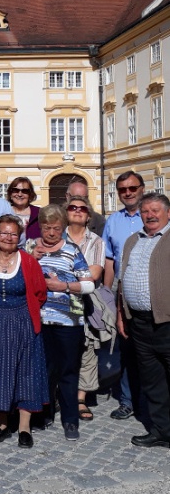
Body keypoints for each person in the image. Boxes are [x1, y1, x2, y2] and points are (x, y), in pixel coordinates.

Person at [0, 215, 48, 448]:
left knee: (25, 372)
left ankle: (24, 427)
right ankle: (2, 423)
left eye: (13, 234)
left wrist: (22, 313)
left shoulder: (28, 261)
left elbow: (40, 293)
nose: (8, 237)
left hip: (22, 321)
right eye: (3, 233)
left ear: (19, 237)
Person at [28, 204, 93, 441]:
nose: (51, 233)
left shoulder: (72, 250)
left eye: (56, 228)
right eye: (47, 228)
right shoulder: (30, 248)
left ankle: (70, 420)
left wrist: (63, 286)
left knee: (67, 372)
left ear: (63, 227)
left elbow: (89, 285)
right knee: (43, 371)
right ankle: (42, 414)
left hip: (68, 322)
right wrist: (29, 259)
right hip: (39, 321)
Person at [118, 193, 170, 448]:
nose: (150, 215)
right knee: (153, 379)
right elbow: (121, 281)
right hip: (139, 321)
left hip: (167, 321)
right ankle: (162, 430)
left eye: (155, 210)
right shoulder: (132, 240)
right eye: (145, 211)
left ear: (168, 213)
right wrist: (121, 314)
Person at [102, 170, 145, 421]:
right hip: (121, 288)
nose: (128, 193)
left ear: (141, 188)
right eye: (122, 190)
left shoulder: (152, 215)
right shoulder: (113, 220)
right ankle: (128, 400)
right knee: (126, 347)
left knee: (150, 348)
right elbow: (109, 260)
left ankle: (151, 399)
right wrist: (107, 295)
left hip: (147, 287)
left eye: (132, 188)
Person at [64, 196, 105, 422]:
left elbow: (95, 275)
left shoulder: (96, 241)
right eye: (73, 207)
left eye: (82, 209)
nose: (77, 211)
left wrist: (64, 276)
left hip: (87, 303)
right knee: (60, 350)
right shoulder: (56, 237)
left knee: (88, 349)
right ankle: (59, 394)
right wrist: (81, 274)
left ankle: (81, 398)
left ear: (88, 215)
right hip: (58, 304)